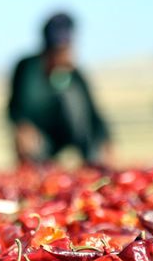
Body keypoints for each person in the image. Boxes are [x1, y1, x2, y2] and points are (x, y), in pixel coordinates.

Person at [7, 12, 114, 167]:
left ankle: (91, 161)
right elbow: (15, 106)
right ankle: (36, 168)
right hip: (40, 139)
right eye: (56, 50)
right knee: (25, 140)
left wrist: (106, 140)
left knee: (74, 100)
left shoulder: (75, 75)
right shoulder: (27, 68)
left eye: (65, 49)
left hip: (73, 134)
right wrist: (22, 126)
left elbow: (93, 112)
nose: (62, 55)